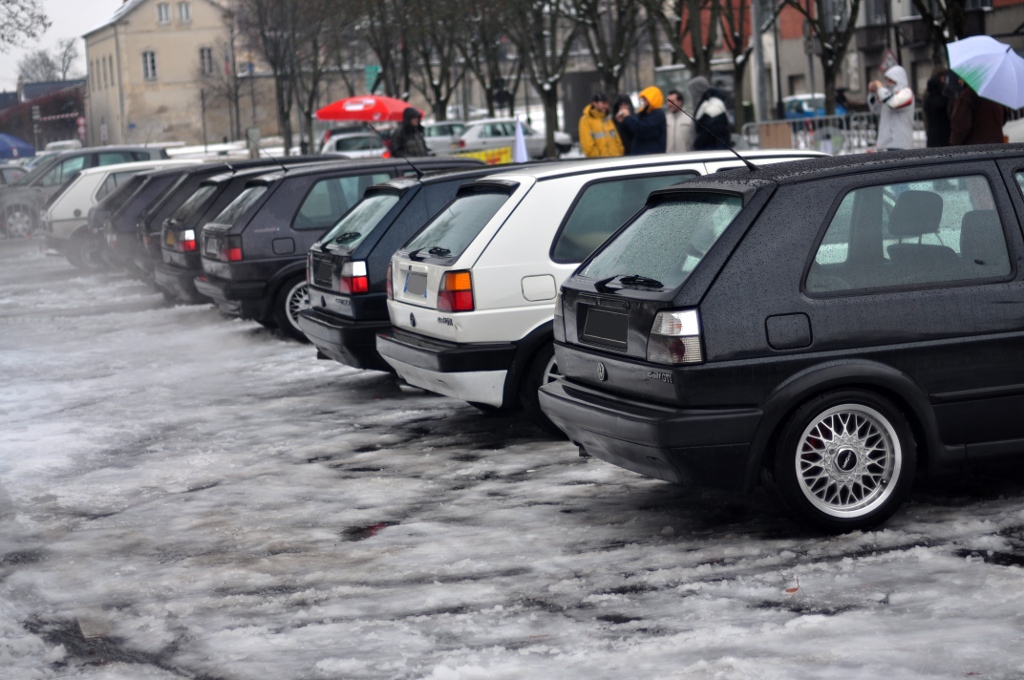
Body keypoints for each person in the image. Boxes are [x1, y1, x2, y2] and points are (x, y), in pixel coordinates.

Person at [868, 65, 915, 151]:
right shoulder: (887, 94)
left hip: (901, 143)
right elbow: (876, 109)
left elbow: (893, 103)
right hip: (886, 143)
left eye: (891, 80)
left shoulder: (906, 92)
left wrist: (880, 88)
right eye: (887, 80)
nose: (888, 82)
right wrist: (872, 93)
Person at [950, 79, 1007, 146]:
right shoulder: (995, 93)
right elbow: (1004, 116)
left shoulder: (966, 96)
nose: (959, 81)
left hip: (976, 148)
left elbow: (961, 127)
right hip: (997, 144)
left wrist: (954, 144)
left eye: (961, 78)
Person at [614, 86, 667, 155]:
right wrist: (621, 123)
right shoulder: (643, 114)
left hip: (651, 156)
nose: (643, 102)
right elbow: (631, 134)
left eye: (645, 99)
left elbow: (644, 130)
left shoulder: (658, 114)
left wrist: (628, 117)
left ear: (652, 99)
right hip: (640, 155)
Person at [686, 76, 731, 150]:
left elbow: (710, 132)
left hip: (715, 151)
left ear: (698, 90)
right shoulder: (706, 104)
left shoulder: (713, 106)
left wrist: (696, 144)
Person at [578, 92, 624, 158]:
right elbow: (587, 146)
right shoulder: (586, 120)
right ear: (595, 103)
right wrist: (598, 159)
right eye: (603, 103)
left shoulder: (607, 119)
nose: (606, 106)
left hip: (614, 160)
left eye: (607, 103)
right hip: (600, 163)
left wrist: (619, 153)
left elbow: (617, 140)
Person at [922, 67, 951, 148]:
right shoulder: (944, 96)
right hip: (942, 136)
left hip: (932, 135)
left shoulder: (929, 94)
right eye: (943, 77)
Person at [664, 89, 693, 153]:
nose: (669, 104)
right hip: (667, 159)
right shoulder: (665, 119)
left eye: (672, 101)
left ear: (680, 102)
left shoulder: (689, 119)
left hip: (685, 159)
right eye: (668, 101)